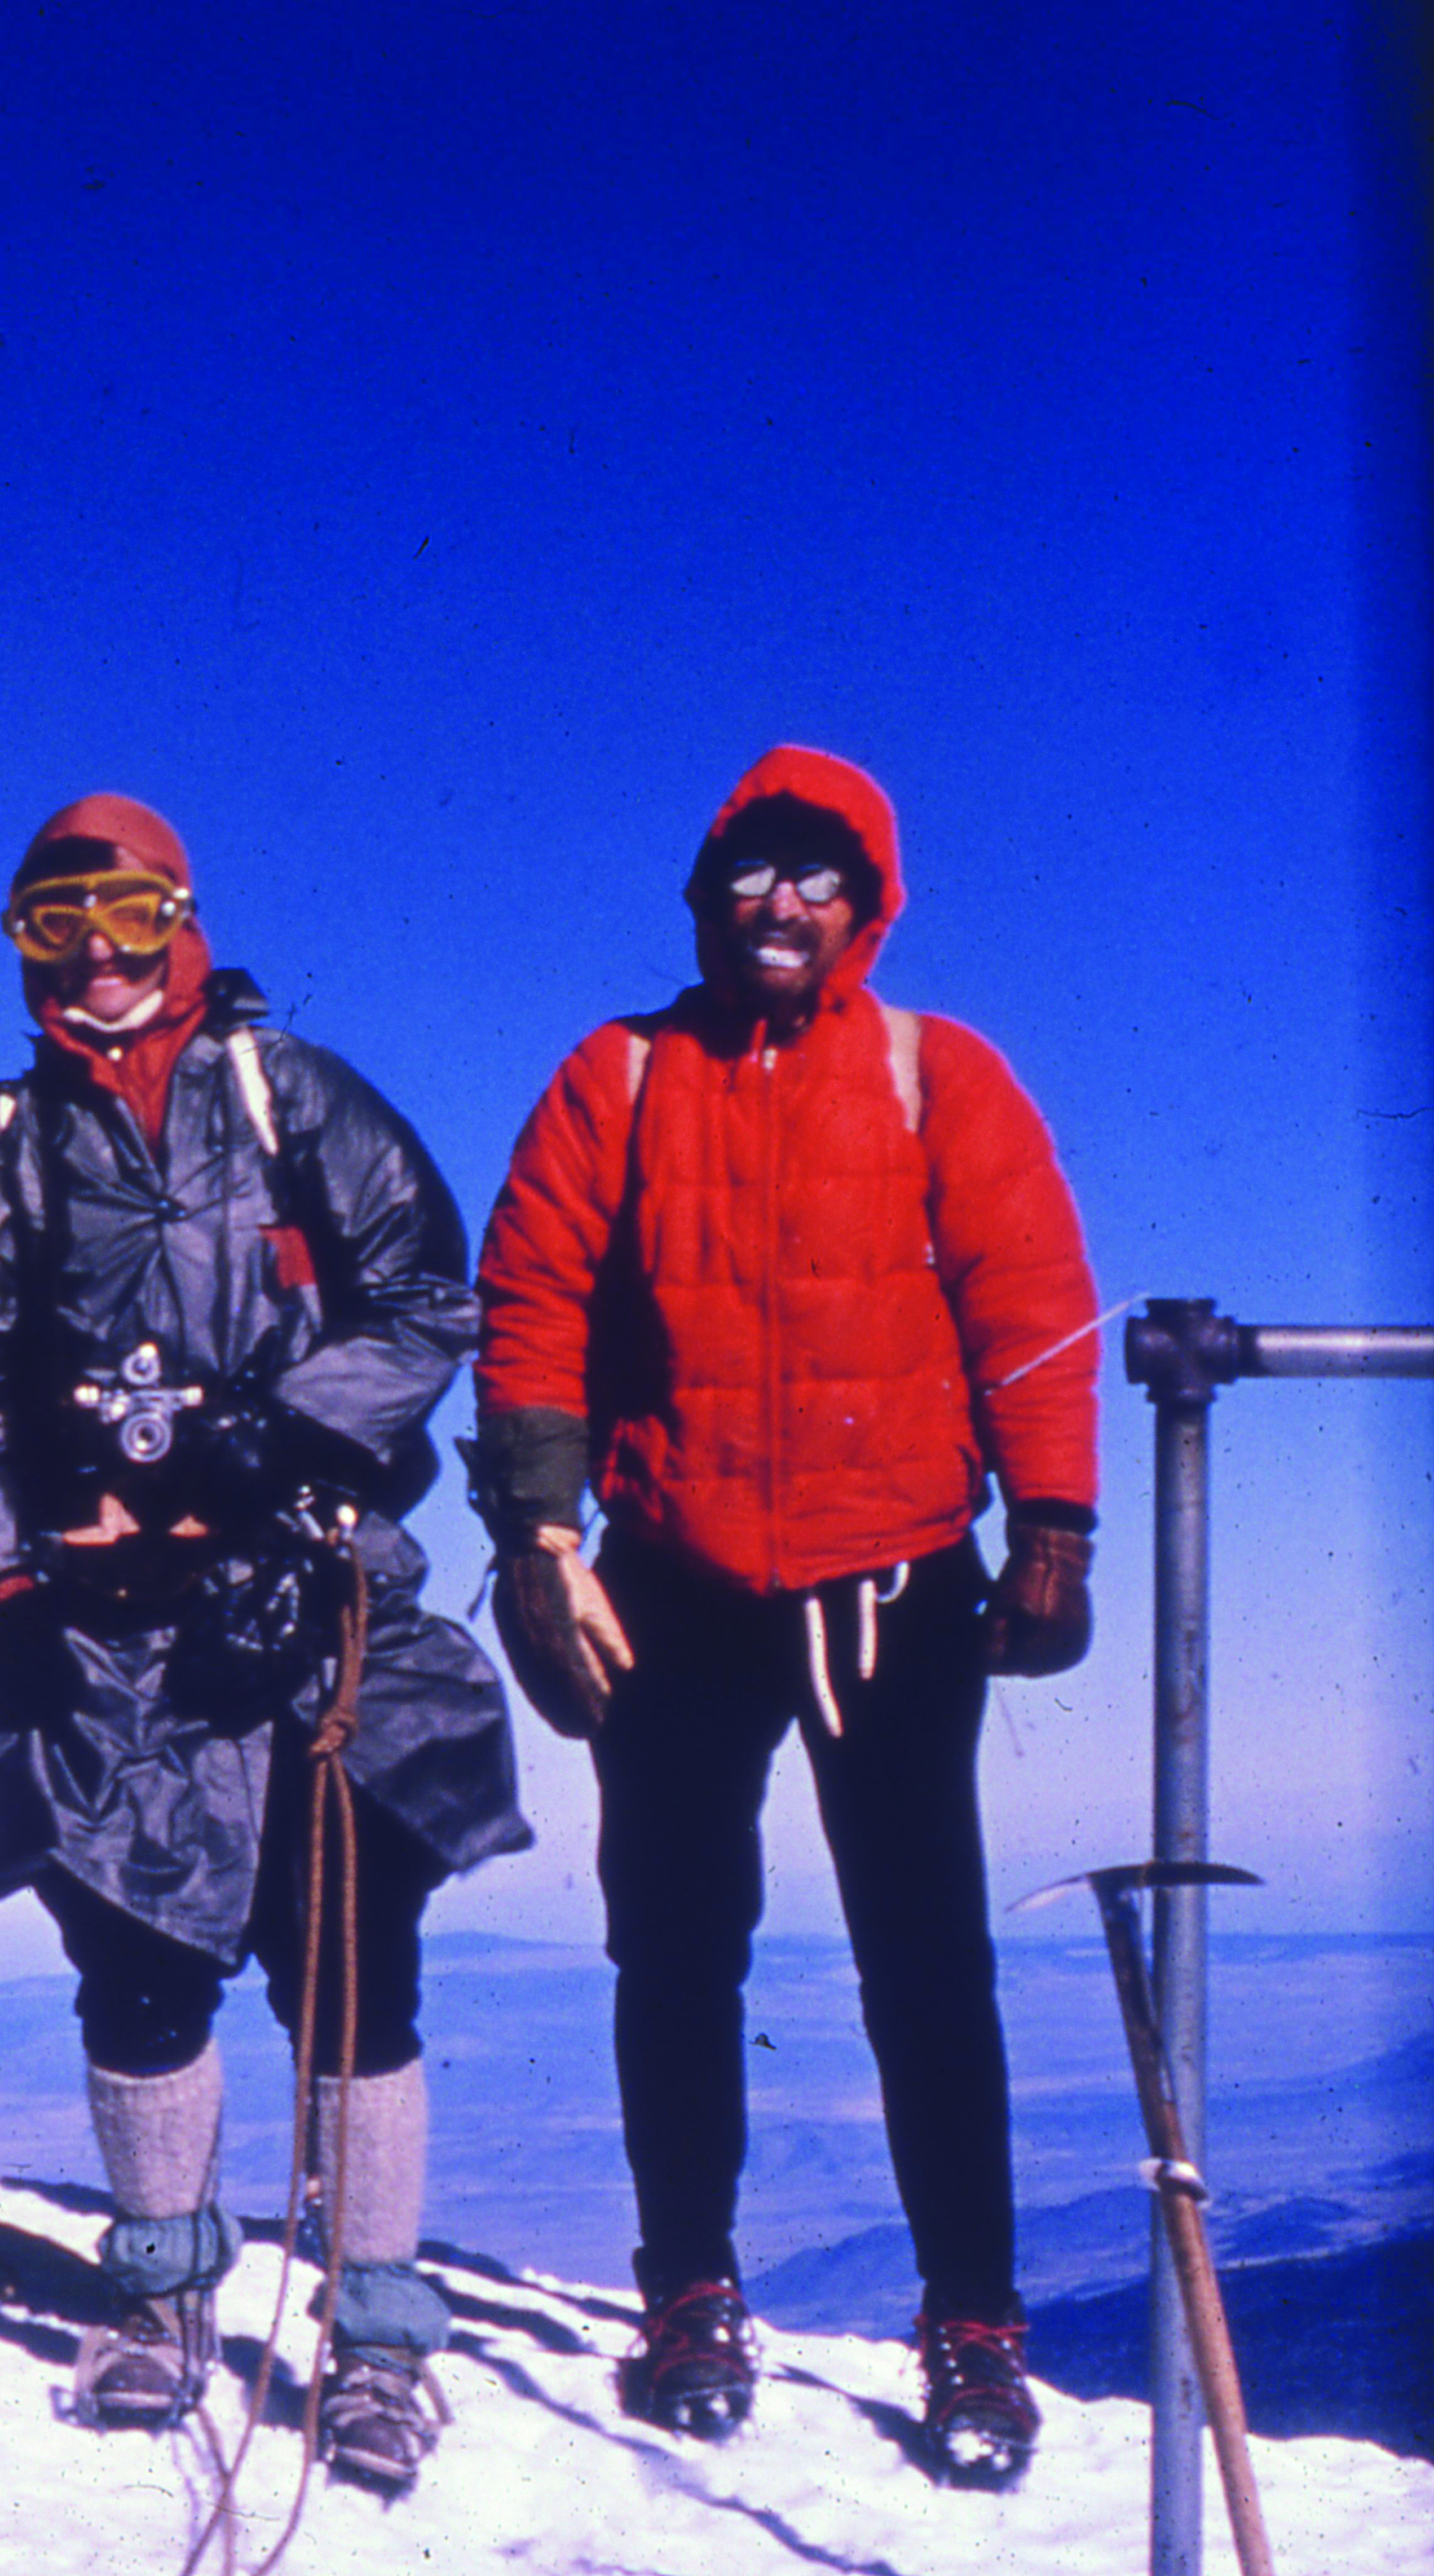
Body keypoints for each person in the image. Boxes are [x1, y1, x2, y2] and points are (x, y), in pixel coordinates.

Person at [468, 745, 1100, 2486]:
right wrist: (536, 1533)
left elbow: (1031, 1301)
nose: (785, 903)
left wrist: (1053, 1523)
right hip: (673, 1575)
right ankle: (686, 2291)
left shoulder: (931, 1074)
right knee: (672, 1946)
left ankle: (973, 2324)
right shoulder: (619, 1078)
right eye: (755, 869)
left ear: (869, 907)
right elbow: (527, 1304)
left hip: (891, 1571)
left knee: (925, 1958)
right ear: (705, 892)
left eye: (823, 875)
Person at [0, 795, 528, 2484]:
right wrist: (0, 1582)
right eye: (51, 925)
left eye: (126, 912)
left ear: (182, 916)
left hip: (312, 1604)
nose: (96, 956)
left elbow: (429, 1296)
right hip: (94, 1628)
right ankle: (163, 2299)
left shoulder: (293, 1100)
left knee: (353, 1964)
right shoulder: (1, 1143)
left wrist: (286, 1434)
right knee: (139, 1965)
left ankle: (378, 2338)